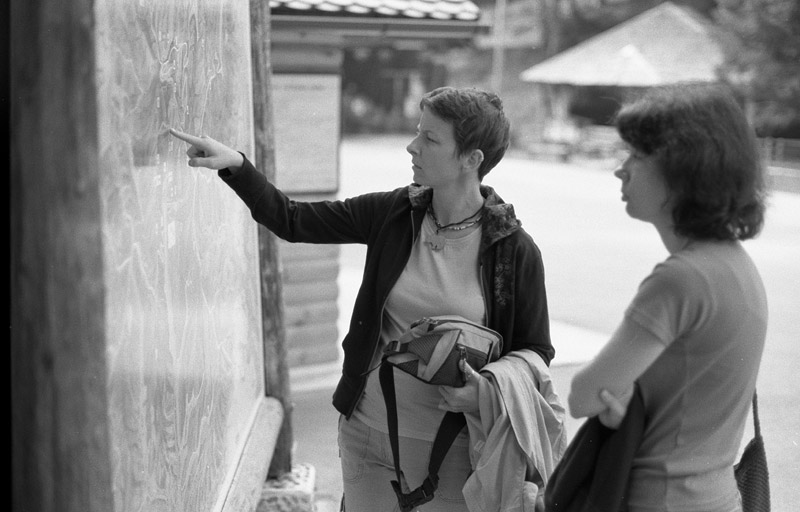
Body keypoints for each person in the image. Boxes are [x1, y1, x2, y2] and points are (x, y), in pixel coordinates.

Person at [170, 86, 560, 511]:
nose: (412, 146)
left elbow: (535, 351)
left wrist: (486, 393)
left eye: (430, 138)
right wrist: (237, 166)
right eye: (418, 132)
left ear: (472, 159)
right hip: (367, 434)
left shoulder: (513, 251)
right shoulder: (394, 213)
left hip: (454, 450)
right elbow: (293, 220)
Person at [567, 82, 768, 512]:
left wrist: (619, 398)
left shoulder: (681, 279)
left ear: (684, 169)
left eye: (637, 156)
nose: (621, 170)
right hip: (717, 497)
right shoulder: (736, 265)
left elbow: (584, 394)